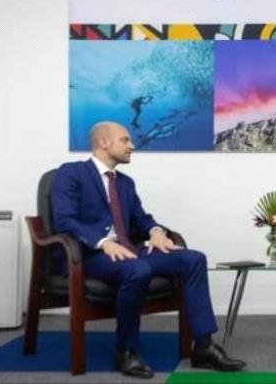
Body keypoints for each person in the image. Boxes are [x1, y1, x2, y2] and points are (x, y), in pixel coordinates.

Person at [51, 121, 246, 378]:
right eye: (125, 140)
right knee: (138, 270)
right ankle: (126, 350)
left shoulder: (125, 183)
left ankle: (203, 347)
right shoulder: (71, 173)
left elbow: (141, 218)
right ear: (104, 142)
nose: (132, 145)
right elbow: (64, 220)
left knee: (194, 259)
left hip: (129, 251)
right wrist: (103, 242)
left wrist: (155, 231)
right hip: (90, 255)